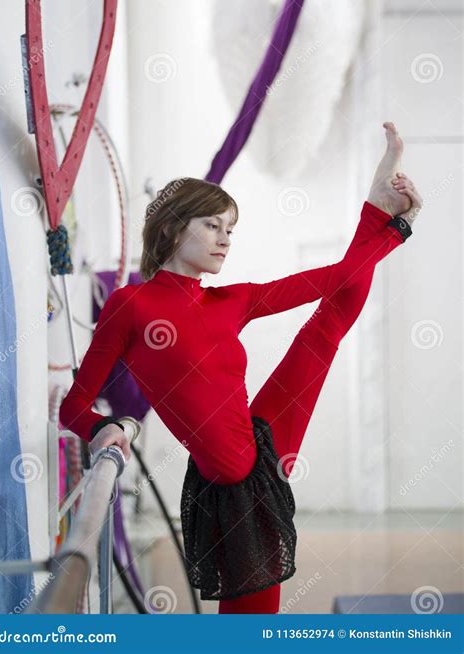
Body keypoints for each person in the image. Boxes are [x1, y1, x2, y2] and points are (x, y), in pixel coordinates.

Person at [59, 121, 423, 614]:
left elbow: (340, 278)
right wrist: (105, 427)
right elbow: (73, 406)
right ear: (170, 227)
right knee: (247, 631)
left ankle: (377, 201)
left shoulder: (232, 300)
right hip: (229, 490)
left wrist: (391, 224)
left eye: (230, 229)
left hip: (264, 438)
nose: (225, 239)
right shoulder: (130, 306)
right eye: (212, 225)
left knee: (326, 325)